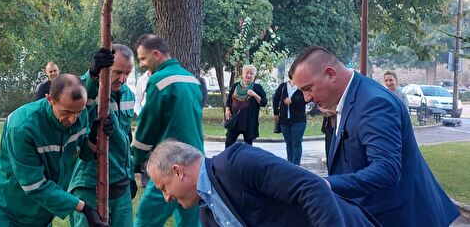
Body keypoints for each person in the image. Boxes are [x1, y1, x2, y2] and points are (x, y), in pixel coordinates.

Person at [289, 46, 460, 227]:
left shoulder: (374, 103)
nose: (306, 98)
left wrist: (325, 184)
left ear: (330, 74)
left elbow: (386, 169)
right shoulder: (353, 96)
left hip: (402, 218)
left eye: (308, 88)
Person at [0, 49, 114, 227]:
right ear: (49, 99)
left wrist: (94, 139)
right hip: (10, 214)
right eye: (66, 113)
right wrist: (85, 208)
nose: (72, 120)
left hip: (42, 216)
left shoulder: (79, 114)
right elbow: (34, 185)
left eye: (78, 112)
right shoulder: (22, 127)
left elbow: (82, 152)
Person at [147, 140, 380, 227]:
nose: (167, 197)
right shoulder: (206, 215)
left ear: (178, 171)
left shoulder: (237, 161)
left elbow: (312, 187)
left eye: (164, 187)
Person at [132, 34, 204, 227]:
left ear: (156, 54)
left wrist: (136, 160)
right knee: (190, 220)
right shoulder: (192, 79)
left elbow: (148, 127)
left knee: (147, 217)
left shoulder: (159, 80)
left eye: (142, 59)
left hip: (170, 163)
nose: (141, 65)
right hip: (196, 163)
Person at [68, 44, 137, 227]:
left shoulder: (129, 95)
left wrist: (129, 174)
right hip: (90, 182)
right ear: (105, 68)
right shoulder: (92, 90)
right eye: (118, 72)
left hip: (120, 184)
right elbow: (78, 91)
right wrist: (92, 73)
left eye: (127, 74)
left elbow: (126, 137)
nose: (122, 79)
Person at [224, 65, 267, 148]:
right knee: (229, 143)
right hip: (235, 120)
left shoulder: (257, 87)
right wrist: (227, 110)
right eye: (247, 73)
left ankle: (246, 160)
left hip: (248, 122)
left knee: (248, 146)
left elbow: (264, 103)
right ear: (242, 75)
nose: (249, 75)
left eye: (251, 74)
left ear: (254, 76)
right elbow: (229, 100)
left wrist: (255, 95)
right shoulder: (235, 86)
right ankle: (228, 160)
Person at [272, 75, 307, 165]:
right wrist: (276, 113)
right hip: (284, 120)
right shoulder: (283, 86)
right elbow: (275, 98)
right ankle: (290, 165)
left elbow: (307, 99)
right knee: (288, 143)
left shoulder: (302, 87)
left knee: (296, 143)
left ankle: (296, 165)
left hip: (299, 120)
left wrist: (293, 100)